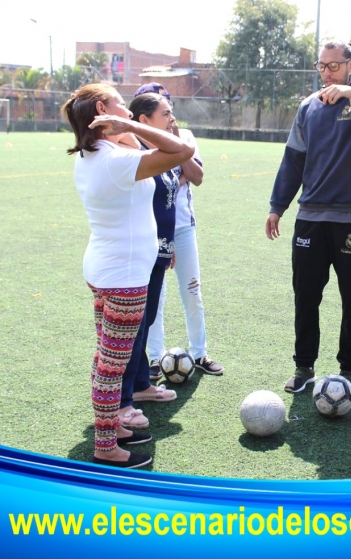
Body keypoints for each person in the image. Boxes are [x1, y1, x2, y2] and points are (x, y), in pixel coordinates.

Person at [62, 84, 193, 468]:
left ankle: (112, 428)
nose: (128, 111)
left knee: (106, 357)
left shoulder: (100, 154)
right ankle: (106, 446)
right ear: (105, 110)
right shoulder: (113, 161)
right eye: (120, 105)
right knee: (112, 364)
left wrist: (121, 127)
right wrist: (125, 124)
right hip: (122, 275)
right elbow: (180, 151)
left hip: (109, 267)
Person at [265, 41, 351, 396]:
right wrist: (278, 206)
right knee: (305, 296)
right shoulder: (308, 107)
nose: (328, 73)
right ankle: (304, 366)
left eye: (334, 66)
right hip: (311, 219)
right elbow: (293, 160)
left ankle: (348, 370)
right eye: (322, 66)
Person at [132, 83, 224, 378]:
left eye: (170, 106)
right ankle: (155, 359)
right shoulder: (135, 142)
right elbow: (157, 179)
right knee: (154, 298)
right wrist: (173, 172)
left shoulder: (184, 137)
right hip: (150, 229)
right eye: (164, 109)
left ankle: (199, 353)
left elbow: (195, 176)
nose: (170, 116)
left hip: (182, 226)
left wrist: (176, 147)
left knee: (192, 291)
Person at [118, 92, 192, 429]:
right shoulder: (135, 154)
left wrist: (170, 245)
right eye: (165, 113)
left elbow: (167, 204)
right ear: (144, 121)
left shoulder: (159, 154)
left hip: (160, 248)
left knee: (145, 321)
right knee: (132, 326)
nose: (171, 117)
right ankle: (122, 399)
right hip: (139, 252)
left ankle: (140, 386)